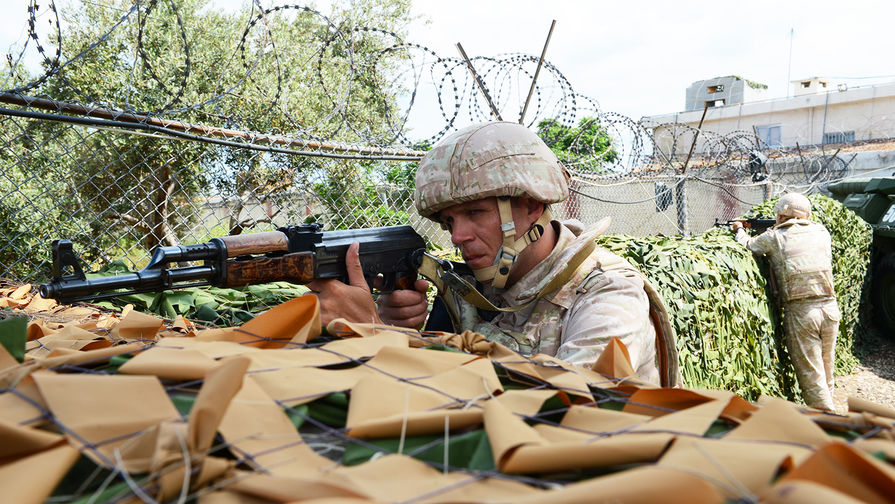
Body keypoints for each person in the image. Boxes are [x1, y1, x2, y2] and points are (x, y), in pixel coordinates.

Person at [309, 121, 678, 386]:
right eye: (449, 220)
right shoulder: (467, 287)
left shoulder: (608, 293)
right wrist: (397, 327)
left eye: (475, 213)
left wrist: (378, 337)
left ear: (532, 206)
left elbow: (567, 407)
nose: (457, 235)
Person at [732, 193, 840, 411]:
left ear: (780, 215)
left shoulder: (775, 237)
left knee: (812, 375)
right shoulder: (821, 232)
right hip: (830, 308)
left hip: (802, 312)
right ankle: (831, 412)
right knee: (826, 367)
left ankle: (828, 423)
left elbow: (748, 245)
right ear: (807, 214)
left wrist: (739, 229)